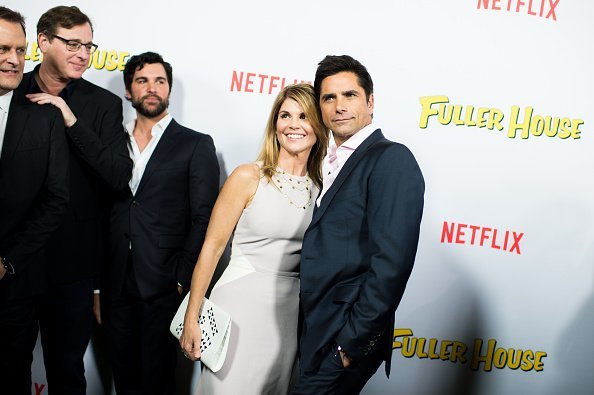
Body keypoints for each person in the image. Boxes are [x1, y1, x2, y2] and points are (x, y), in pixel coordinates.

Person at [180, 83, 328, 394]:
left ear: (318, 125)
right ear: (275, 124)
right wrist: (192, 316)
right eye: (285, 115)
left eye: (304, 116)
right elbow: (212, 247)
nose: (293, 125)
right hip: (238, 309)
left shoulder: (323, 188)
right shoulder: (249, 176)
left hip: (289, 317)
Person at [293, 55, 425, 394]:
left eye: (349, 95)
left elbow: (391, 264)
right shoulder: (329, 160)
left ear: (370, 102)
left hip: (345, 333)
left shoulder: (391, 158)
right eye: (329, 98)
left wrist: (350, 345)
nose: (339, 106)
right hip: (317, 328)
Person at [18, 6, 132, 394]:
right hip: (14, 261)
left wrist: (70, 118)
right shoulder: (10, 91)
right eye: (72, 43)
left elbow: (118, 176)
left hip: (72, 266)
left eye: (88, 45)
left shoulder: (102, 105)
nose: (83, 53)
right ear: (43, 42)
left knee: (67, 373)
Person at [101, 51, 220, 394]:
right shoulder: (110, 142)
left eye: (159, 81)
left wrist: (182, 279)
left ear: (168, 90)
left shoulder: (195, 144)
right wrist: (97, 285)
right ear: (128, 91)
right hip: (114, 284)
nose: (151, 88)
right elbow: (99, 212)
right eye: (142, 81)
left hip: (165, 284)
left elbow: (203, 218)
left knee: (159, 381)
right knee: (123, 379)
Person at [0, 6, 69, 394]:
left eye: (19, 50)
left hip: (14, 286)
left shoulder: (43, 117)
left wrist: (8, 263)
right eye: (2, 49)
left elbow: (55, 199)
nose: (13, 59)